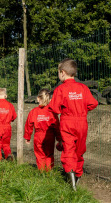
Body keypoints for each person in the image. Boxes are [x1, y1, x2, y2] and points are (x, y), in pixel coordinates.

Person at [48, 58, 98, 191]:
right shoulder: (83, 88)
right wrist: (82, 109)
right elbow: (93, 103)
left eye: (58, 72)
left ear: (62, 73)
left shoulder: (60, 89)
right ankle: (78, 175)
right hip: (82, 122)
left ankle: (72, 182)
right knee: (79, 150)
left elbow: (54, 108)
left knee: (68, 149)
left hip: (67, 122)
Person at [24, 89, 61, 171]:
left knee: (40, 155)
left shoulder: (34, 112)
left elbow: (28, 125)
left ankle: (41, 172)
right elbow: (57, 126)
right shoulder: (52, 112)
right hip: (50, 136)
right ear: (50, 100)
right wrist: (59, 139)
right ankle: (49, 172)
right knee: (49, 155)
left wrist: (27, 137)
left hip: (38, 136)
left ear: (38, 98)